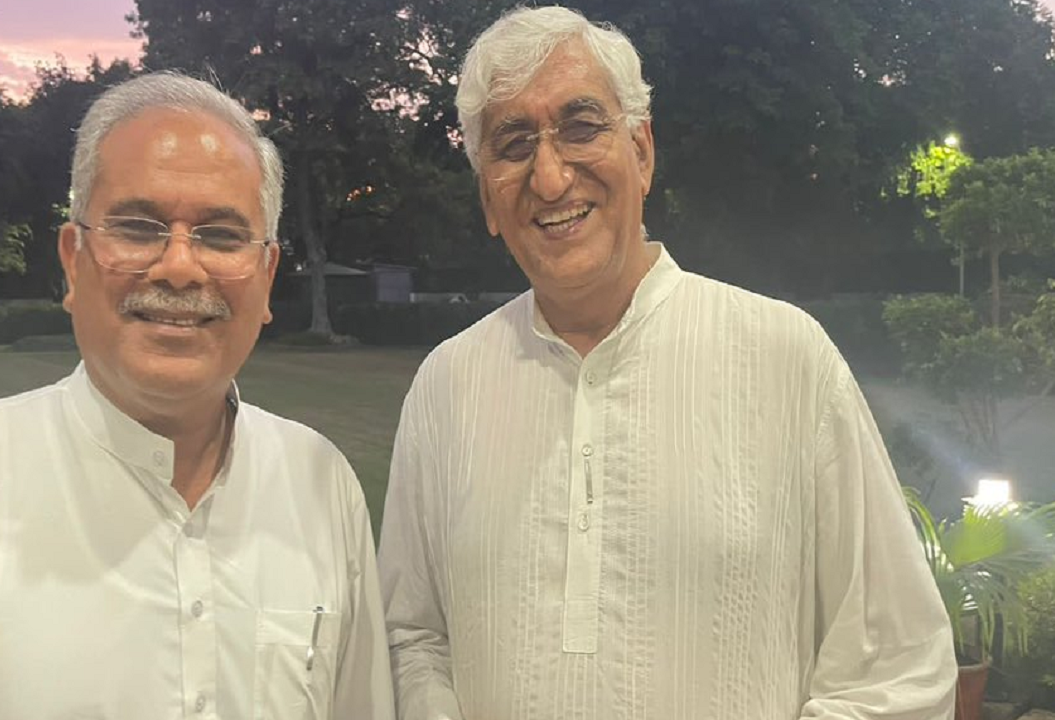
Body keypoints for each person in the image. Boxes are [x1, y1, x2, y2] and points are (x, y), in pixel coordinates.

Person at [378, 7, 956, 719]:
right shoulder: (447, 385)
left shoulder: (786, 359)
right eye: (514, 144)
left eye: (581, 127)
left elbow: (897, 665)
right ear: (488, 199)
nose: (550, 178)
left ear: (642, 151)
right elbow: (413, 636)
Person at [0, 71, 394, 720]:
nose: (179, 267)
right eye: (139, 228)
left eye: (221, 236)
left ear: (267, 274)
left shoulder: (320, 485)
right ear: (73, 259)